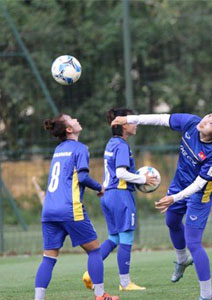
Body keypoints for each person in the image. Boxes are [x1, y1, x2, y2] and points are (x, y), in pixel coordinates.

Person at [111, 112, 212, 300]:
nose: (205, 121)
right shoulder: (192, 122)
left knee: (193, 242)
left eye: (211, 123)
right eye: (208, 115)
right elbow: (161, 119)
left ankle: (207, 295)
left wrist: (174, 198)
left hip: (200, 195)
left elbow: (199, 184)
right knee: (171, 221)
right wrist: (129, 119)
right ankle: (182, 260)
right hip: (179, 184)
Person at [34, 114, 118, 300]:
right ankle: (100, 295)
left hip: (48, 210)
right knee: (95, 250)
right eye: (71, 119)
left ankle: (38, 299)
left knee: (49, 257)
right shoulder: (80, 148)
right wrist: (100, 187)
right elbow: (82, 178)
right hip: (69, 209)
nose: (76, 119)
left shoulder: (58, 150)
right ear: (69, 130)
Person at [82, 108, 159, 292]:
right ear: (123, 125)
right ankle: (125, 283)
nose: (136, 123)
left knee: (114, 237)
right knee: (126, 237)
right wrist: (143, 179)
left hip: (108, 195)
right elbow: (121, 172)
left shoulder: (111, 143)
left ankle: (89, 273)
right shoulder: (122, 146)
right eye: (132, 120)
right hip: (120, 195)